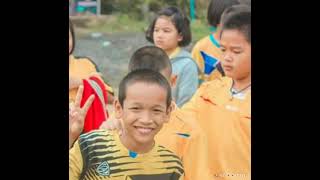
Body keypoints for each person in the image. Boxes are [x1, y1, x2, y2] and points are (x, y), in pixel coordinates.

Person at [101, 46, 210, 180]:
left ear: (173, 80)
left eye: (158, 83)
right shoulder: (114, 123)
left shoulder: (190, 130)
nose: (150, 92)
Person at [69, 69, 184, 180]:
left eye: (156, 110)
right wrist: (70, 136)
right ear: (118, 108)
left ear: (168, 113)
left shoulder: (172, 166)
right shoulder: (91, 146)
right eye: (136, 108)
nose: (146, 119)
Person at [180, 5, 251, 179]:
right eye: (223, 50)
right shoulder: (208, 92)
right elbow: (176, 122)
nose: (226, 57)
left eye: (236, 51)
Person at [146, 6, 199, 107]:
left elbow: (187, 102)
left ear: (180, 36)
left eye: (166, 31)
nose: (159, 35)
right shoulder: (147, 59)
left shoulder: (187, 65)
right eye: (156, 30)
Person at [191, 0, 239, 84]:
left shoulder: (244, 46)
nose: (230, 21)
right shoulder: (201, 47)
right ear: (216, 16)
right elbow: (193, 79)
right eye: (226, 17)